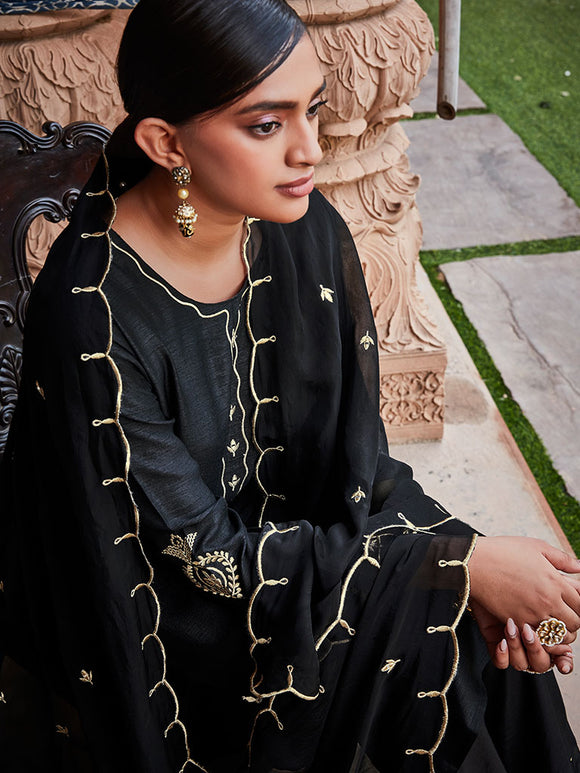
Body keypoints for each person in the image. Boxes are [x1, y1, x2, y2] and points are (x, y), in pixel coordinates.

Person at [0, 1, 579, 771]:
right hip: (171, 618)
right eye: (267, 124)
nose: (310, 148)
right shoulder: (94, 315)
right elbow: (209, 559)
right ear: (167, 143)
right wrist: (450, 570)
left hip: (301, 554)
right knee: (437, 621)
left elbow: (357, 467)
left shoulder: (299, 226)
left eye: (313, 108)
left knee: (482, 622)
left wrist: (478, 571)